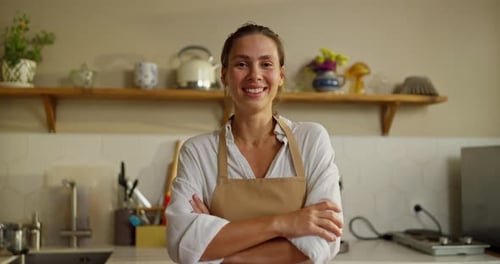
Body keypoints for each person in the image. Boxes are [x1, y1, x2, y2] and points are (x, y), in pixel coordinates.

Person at [166, 23, 343, 263]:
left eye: (266, 64)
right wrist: (285, 223)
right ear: (224, 76)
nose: (255, 75)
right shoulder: (198, 152)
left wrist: (227, 254)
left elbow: (325, 240)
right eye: (241, 64)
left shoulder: (311, 140)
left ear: (281, 75)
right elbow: (182, 243)